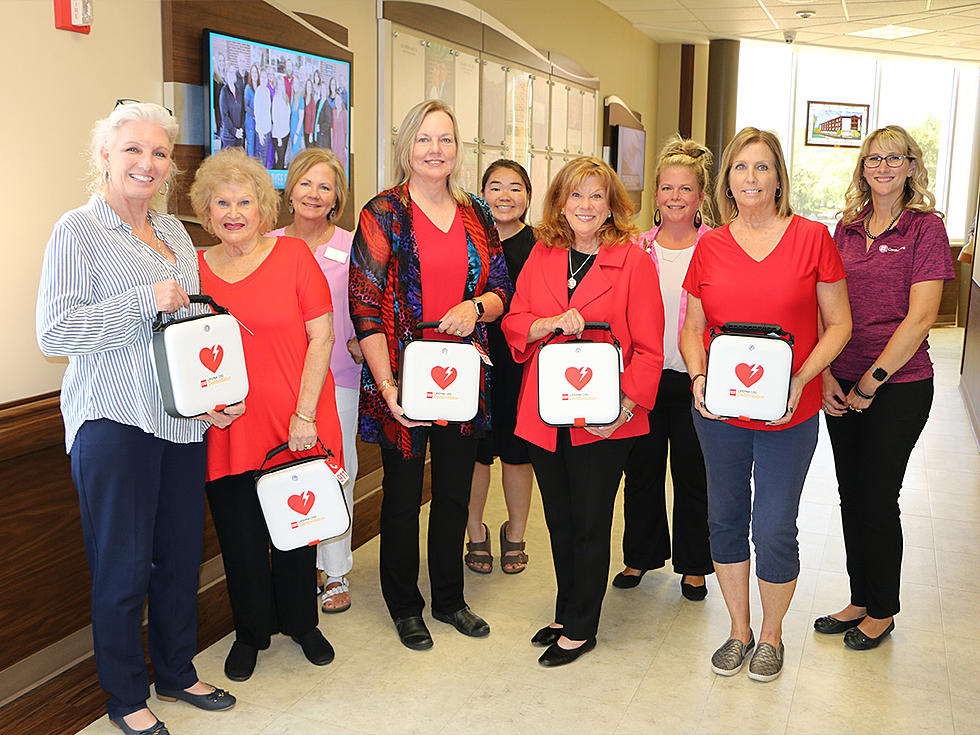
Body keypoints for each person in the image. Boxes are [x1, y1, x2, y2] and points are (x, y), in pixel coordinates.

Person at [36, 101, 240, 735]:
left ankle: (177, 672)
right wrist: (137, 300)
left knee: (179, 557)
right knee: (122, 568)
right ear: (104, 156)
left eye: (159, 153)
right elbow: (54, 331)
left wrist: (215, 392)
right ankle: (124, 695)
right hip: (114, 423)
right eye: (133, 150)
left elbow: (185, 330)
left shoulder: (177, 234)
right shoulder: (76, 231)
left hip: (180, 422)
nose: (148, 163)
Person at [680, 127, 851, 682]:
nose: (750, 179)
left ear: (779, 177)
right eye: (739, 168)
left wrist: (802, 378)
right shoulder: (710, 245)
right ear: (725, 180)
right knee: (725, 518)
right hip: (720, 414)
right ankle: (738, 629)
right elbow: (694, 325)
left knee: (774, 524)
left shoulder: (812, 238)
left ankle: (772, 634)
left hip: (789, 413)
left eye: (761, 168)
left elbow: (839, 324)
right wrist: (700, 374)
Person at [348, 99, 513, 651]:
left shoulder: (476, 213)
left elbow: (502, 287)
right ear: (406, 148)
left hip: (463, 375)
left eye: (445, 140)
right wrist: (387, 385)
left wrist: (478, 307)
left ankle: (449, 598)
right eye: (424, 139)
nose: (435, 150)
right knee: (400, 495)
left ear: (457, 149)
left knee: (453, 492)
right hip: (402, 376)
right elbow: (365, 306)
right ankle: (404, 604)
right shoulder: (382, 214)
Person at [501, 156, 665, 666]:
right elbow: (515, 321)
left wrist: (625, 407)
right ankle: (565, 607)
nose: (586, 205)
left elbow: (650, 347)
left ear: (611, 203)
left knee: (591, 519)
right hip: (547, 409)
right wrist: (550, 321)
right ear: (560, 203)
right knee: (558, 520)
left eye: (597, 195)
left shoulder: (633, 261)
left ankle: (582, 625)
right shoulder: (544, 254)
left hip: (607, 415)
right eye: (576, 195)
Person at [190, 148, 344, 681]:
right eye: (222, 203)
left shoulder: (294, 258)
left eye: (245, 202)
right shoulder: (195, 269)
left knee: (298, 530)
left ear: (264, 208)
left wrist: (306, 414)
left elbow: (321, 336)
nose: (234, 213)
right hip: (226, 428)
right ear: (206, 213)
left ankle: (303, 624)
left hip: (291, 420)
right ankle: (251, 632)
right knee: (240, 538)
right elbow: (187, 353)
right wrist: (207, 405)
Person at [816, 125, 955, 650]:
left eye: (894, 158)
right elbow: (825, 304)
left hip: (898, 385)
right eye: (873, 159)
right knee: (851, 496)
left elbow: (920, 318)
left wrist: (872, 381)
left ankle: (883, 609)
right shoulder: (846, 228)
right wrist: (828, 373)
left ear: (912, 166)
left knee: (877, 495)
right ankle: (859, 597)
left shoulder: (926, 230)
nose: (883, 167)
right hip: (842, 380)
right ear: (862, 168)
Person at [614, 136, 714, 600]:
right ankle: (640, 556)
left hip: (698, 379)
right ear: (655, 195)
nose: (676, 197)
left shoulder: (717, 247)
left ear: (700, 196)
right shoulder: (636, 247)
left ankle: (695, 565)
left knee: (695, 474)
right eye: (667, 188)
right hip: (644, 378)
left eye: (685, 189)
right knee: (642, 471)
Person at [269, 147, 361, 614]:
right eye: (306, 183)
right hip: (279, 380)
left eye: (324, 186)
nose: (313, 193)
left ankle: (336, 570)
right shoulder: (266, 242)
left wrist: (364, 339)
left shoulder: (351, 246)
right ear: (290, 190)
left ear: (335, 199)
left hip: (339, 378)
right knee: (285, 475)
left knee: (337, 473)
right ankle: (296, 568)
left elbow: (368, 305)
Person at [464, 159, 536, 576]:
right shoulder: (470, 239)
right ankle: (476, 532)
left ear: (528, 196)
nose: (505, 196)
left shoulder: (542, 245)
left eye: (515, 188)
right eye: (494, 187)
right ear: (482, 194)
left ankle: (516, 533)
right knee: (475, 453)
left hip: (519, 361)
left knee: (515, 453)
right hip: (472, 358)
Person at [218, 65, 244, 150]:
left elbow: (242, 112)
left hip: (239, 136)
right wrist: (234, 131)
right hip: (228, 137)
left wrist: (241, 129)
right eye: (230, 72)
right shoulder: (224, 92)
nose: (232, 74)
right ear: (226, 74)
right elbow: (224, 115)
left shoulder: (239, 90)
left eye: (233, 72)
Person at [253, 67, 272, 168]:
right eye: (263, 77)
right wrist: (260, 133)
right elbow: (257, 113)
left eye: (266, 77)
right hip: (262, 131)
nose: (264, 79)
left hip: (268, 129)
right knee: (261, 159)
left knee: (265, 157)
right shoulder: (259, 91)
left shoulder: (267, 91)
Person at [271, 74, 291, 169]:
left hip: (286, 133)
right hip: (278, 135)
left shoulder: (286, 97)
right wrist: (279, 137)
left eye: (282, 84)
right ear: (277, 86)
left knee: (283, 158)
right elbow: (275, 119)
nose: (281, 86)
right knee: (280, 158)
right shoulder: (276, 99)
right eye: (279, 84)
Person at [244, 63, 259, 158]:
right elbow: (246, 106)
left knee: (258, 147)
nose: (254, 74)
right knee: (251, 147)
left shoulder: (260, 87)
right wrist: (255, 115)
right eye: (253, 72)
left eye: (256, 72)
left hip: (259, 123)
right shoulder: (247, 88)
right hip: (250, 121)